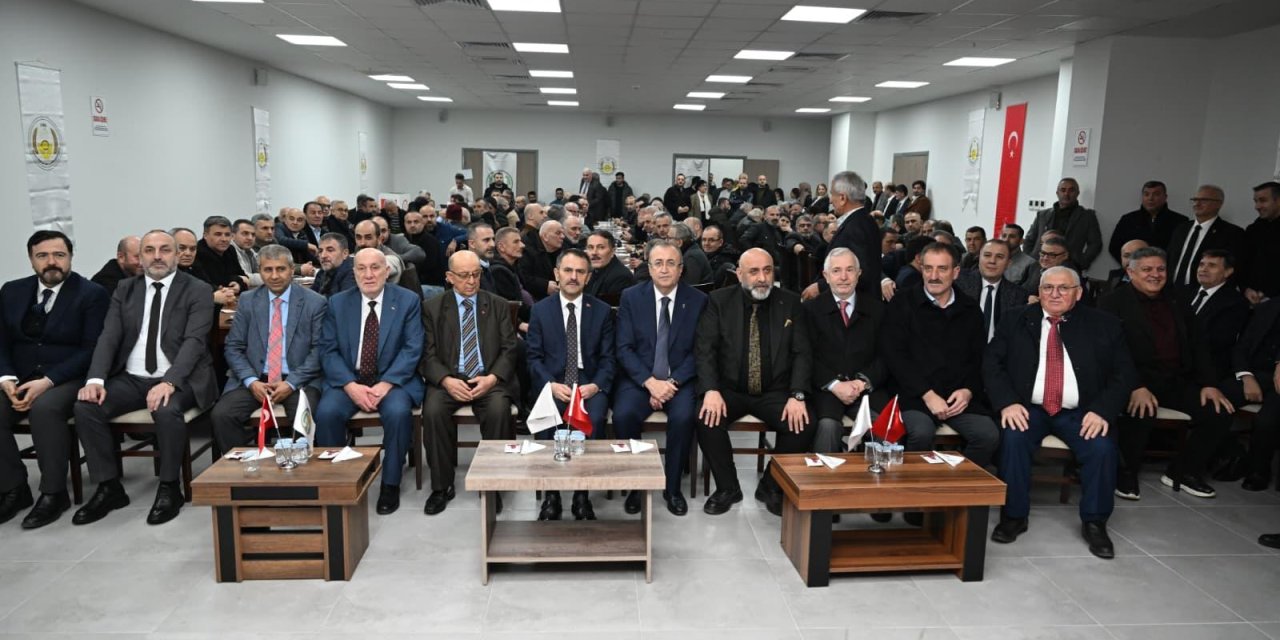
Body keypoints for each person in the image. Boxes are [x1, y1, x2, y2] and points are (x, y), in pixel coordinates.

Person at [984, 266, 1137, 559]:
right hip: (1028, 408)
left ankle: (1095, 522)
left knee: (1102, 447)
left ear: (1078, 293)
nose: (1054, 294)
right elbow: (992, 364)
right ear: (1039, 292)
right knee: (1013, 439)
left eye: (1063, 288)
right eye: (1048, 288)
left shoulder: (1104, 324)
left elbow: (1124, 374)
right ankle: (1014, 516)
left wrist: (1102, 411)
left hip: (1082, 411)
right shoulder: (1015, 319)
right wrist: (1007, 402)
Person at [72, 230, 218, 526]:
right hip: (132, 378)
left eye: (165, 249)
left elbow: (194, 342)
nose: (157, 256)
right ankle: (109, 487)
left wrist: (169, 381)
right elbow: (109, 336)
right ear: (140, 257)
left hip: (183, 378)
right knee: (86, 408)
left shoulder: (198, 289)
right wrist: (95, 379)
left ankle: (169, 487)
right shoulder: (125, 288)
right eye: (149, 250)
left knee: (165, 409)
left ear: (176, 255)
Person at [1098, 246, 1234, 500]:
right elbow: (1110, 353)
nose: (1155, 274)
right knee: (1142, 409)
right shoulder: (1112, 303)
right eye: (1147, 269)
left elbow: (1199, 345)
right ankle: (1125, 473)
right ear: (1130, 272)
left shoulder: (1178, 300)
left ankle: (1183, 471)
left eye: (1161, 269)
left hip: (1175, 379)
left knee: (1219, 412)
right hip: (1132, 379)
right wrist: (1135, 386)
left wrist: (1209, 383)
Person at [0, 231, 109, 529]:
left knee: (44, 410)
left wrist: (48, 380)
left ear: (70, 257)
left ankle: (53, 492)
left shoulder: (92, 294)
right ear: (31, 259)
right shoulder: (11, 291)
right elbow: (2, 341)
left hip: (68, 376)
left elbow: (92, 349)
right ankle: (13, 488)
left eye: (59, 255)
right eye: (42, 256)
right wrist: (6, 377)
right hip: (20, 376)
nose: (51, 262)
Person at [695, 248, 812, 516]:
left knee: (803, 424)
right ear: (739, 274)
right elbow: (705, 350)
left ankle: (771, 485)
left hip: (775, 390)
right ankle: (728, 487)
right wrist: (711, 390)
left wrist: (797, 394)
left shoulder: (790, 302)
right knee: (705, 418)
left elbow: (802, 352)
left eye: (768, 270)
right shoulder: (718, 301)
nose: (762, 278)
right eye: (754, 271)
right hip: (730, 389)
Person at [314, 249, 425, 515]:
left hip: (393, 381)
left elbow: (412, 348)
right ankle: (339, 481)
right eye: (361, 268)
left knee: (398, 413)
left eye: (375, 267)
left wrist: (386, 384)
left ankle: (390, 483)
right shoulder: (337, 303)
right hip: (349, 380)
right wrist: (350, 386)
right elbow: (328, 350)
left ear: (387, 271)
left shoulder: (407, 300)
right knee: (326, 413)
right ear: (354, 273)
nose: (369, 275)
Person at [881, 243, 999, 477]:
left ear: (956, 272)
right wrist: (927, 394)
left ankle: (950, 487)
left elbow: (978, 358)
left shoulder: (970, 309)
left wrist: (968, 391)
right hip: (914, 395)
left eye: (942, 269)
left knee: (988, 435)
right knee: (921, 432)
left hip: (957, 397)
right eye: (928, 268)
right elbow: (895, 357)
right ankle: (914, 493)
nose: (933, 276)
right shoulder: (902, 303)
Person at [612, 241, 708, 516]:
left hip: (679, 380)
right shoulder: (631, 297)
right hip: (640, 379)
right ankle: (637, 484)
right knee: (623, 416)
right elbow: (623, 348)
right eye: (658, 263)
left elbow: (701, 350)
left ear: (681, 269)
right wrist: (650, 383)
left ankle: (672, 488)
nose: (664, 269)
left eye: (670, 263)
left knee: (684, 418)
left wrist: (671, 383)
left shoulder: (698, 300)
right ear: (649, 268)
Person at [420, 251, 519, 516]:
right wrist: (446, 380)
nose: (472, 281)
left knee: (498, 410)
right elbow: (427, 354)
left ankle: (492, 485)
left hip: (488, 378)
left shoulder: (497, 304)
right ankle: (441, 487)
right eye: (464, 275)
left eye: (476, 274)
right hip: (449, 379)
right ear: (449, 277)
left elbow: (510, 348)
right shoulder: (433, 308)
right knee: (433, 412)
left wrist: (493, 378)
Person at [210, 245, 326, 454]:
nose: (274, 276)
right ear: (259, 272)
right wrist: (251, 381)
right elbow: (234, 347)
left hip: (298, 380)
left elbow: (319, 351)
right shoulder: (248, 301)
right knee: (222, 415)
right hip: (255, 378)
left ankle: (298, 468)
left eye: (281, 269)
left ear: (291, 270)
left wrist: (290, 383)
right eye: (268, 269)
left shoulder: (315, 302)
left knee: (304, 418)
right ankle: (243, 470)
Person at [526, 249, 615, 520]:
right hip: (553, 382)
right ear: (557, 274)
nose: (573, 276)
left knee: (594, 419)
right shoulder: (540, 310)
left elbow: (609, 358)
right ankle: (551, 495)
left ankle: (581, 494)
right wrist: (550, 385)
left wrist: (596, 386)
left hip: (588, 383)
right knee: (547, 418)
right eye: (568, 270)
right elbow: (533, 357)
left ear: (588, 277)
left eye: (580, 272)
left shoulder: (602, 311)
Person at [803, 248, 885, 454]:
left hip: (866, 390)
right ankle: (825, 474)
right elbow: (805, 356)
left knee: (884, 429)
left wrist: (862, 382)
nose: (843, 277)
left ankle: (876, 475)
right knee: (827, 427)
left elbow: (887, 355)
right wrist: (834, 385)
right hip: (826, 389)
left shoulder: (877, 310)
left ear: (859, 273)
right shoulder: (810, 310)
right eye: (836, 271)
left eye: (850, 270)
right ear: (826, 276)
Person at [805, 171, 882, 298]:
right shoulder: (863, 220)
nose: (830, 200)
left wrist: (820, 286)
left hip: (858, 303)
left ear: (842, 198)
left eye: (832, 194)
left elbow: (859, 270)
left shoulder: (856, 226)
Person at [1231, 297, 1280, 491]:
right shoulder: (1267, 307)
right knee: (1214, 399)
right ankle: (1233, 455)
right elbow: (1242, 345)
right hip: (1256, 374)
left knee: (1266, 421)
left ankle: (1259, 471)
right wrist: (1246, 376)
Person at [1185, 250, 1249, 382]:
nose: (1204, 269)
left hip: (1205, 368)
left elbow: (1217, 341)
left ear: (1227, 272)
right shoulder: (1183, 291)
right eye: (1201, 264)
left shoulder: (1235, 303)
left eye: (1212, 265)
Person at [1166, 184, 1247, 287]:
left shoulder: (1232, 233)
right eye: (1195, 200)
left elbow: (1233, 268)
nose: (1197, 204)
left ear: (1219, 204)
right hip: (1171, 289)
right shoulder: (1181, 228)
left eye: (1203, 200)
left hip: (1204, 291)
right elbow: (1169, 258)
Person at [957, 239, 1031, 342]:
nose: (992, 261)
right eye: (987, 255)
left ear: (1008, 263)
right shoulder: (958, 282)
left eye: (999, 257)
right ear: (979, 258)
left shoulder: (1019, 295)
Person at [1024, 178, 1104, 270]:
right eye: (1063, 190)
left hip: (1069, 266)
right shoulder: (1042, 215)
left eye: (1071, 190)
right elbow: (1029, 240)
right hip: (1039, 265)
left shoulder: (1087, 216)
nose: (1066, 194)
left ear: (1077, 193)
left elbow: (1095, 244)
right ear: (1057, 193)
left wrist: (1082, 262)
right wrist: (1030, 259)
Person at [1107, 180, 1188, 263]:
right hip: (1134, 269)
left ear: (1165, 197)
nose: (1150, 198)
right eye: (1146, 194)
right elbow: (1115, 247)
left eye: (1156, 194)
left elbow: (1184, 250)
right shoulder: (1128, 219)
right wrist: (1131, 265)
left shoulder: (1180, 221)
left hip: (1166, 269)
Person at [1243, 181, 1280, 303]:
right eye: (1256, 201)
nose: (1257, 206)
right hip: (1250, 299)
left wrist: (1269, 293)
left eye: (1263, 200)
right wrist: (1245, 289)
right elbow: (1243, 263)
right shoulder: (1252, 230)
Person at [193, 216, 249, 292]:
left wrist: (239, 286)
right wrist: (237, 279)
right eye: (218, 234)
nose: (224, 239)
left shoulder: (230, 249)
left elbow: (244, 278)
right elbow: (208, 285)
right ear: (205, 235)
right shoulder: (196, 252)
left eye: (227, 234)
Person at [519, 220, 564, 301]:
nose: (563, 236)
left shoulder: (560, 251)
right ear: (545, 236)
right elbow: (524, 278)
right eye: (558, 233)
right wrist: (545, 286)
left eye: (563, 233)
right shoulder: (528, 250)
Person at [583, 231, 636, 298]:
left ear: (613, 251)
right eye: (590, 247)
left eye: (601, 247)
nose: (594, 252)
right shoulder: (595, 270)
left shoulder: (620, 278)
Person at [312, 233, 356, 298]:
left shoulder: (352, 272)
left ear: (345, 253)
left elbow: (343, 302)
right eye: (320, 251)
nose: (323, 256)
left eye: (330, 250)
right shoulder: (322, 272)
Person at [1000, 223, 1036, 287]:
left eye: (1012, 236)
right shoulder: (993, 258)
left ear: (1021, 241)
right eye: (1004, 236)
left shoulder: (1030, 263)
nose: (1006, 240)